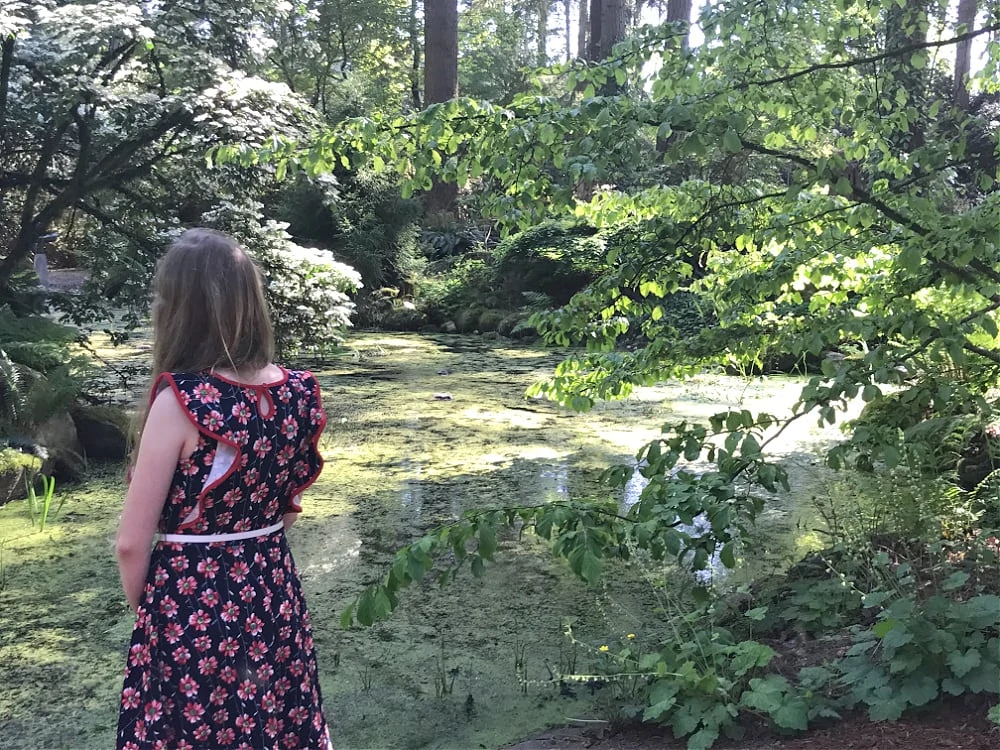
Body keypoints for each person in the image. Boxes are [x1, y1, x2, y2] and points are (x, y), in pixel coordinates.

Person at [115, 228, 333, 749]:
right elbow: (287, 511)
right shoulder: (298, 391)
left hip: (193, 600)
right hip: (274, 591)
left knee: (196, 732)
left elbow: (129, 544)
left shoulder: (180, 401)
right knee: (275, 724)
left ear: (177, 308)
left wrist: (151, 610)